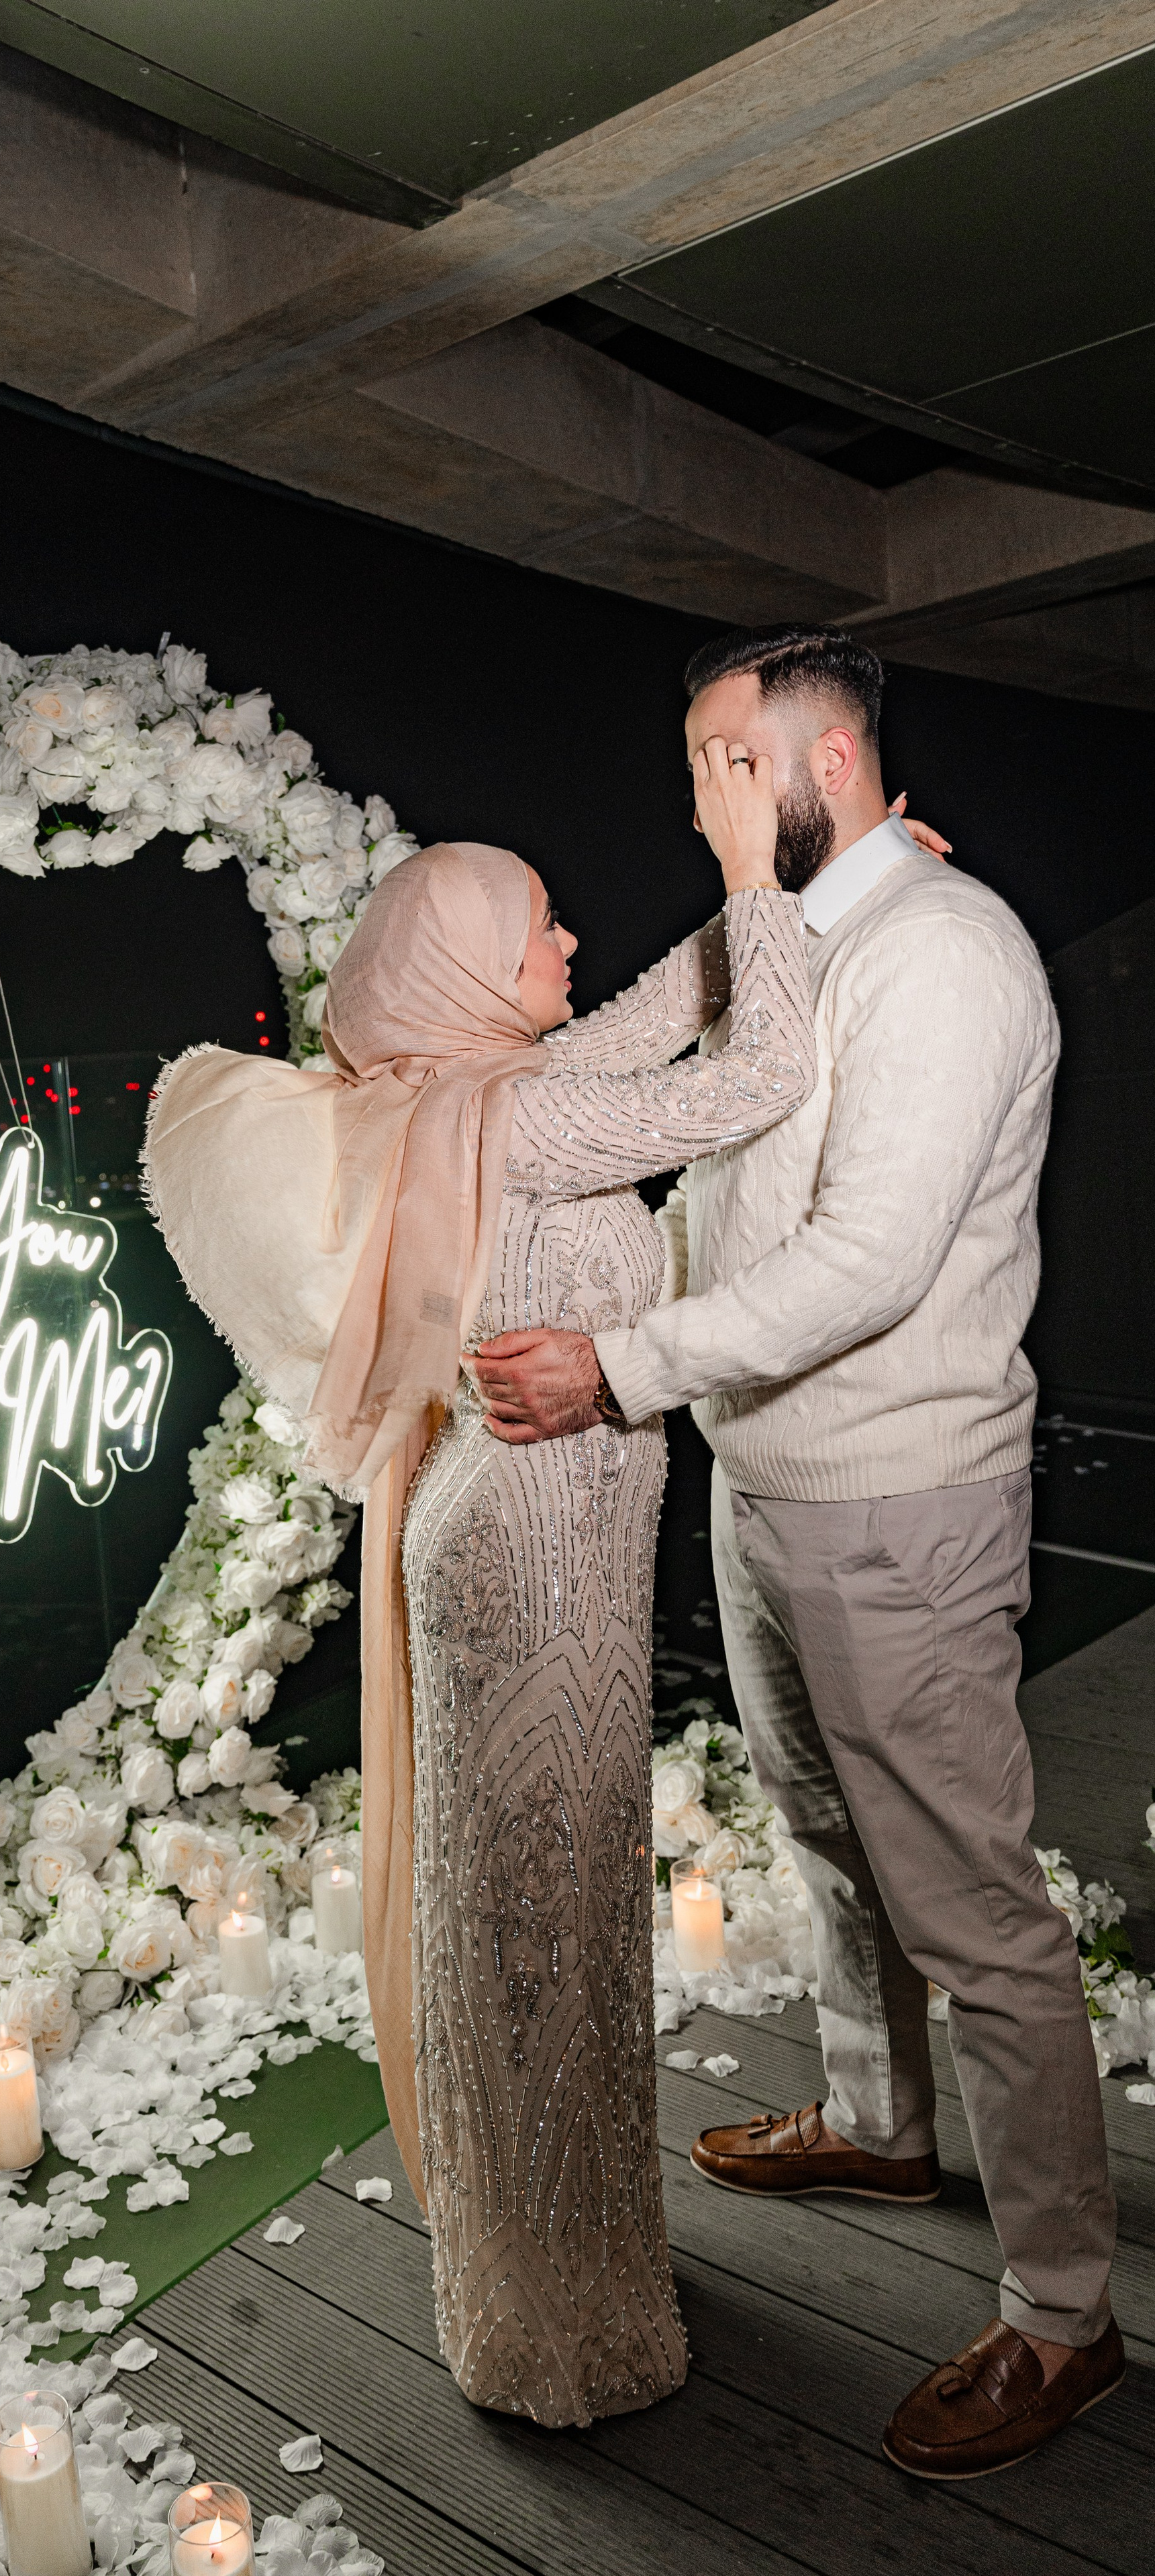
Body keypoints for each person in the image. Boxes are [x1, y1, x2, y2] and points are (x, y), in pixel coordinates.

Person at [472, 623, 1121, 2478]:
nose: (697, 797)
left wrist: (616, 1367)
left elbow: (871, 1262)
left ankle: (1063, 2317)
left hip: (898, 1497)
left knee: (972, 1911)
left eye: (725, 761)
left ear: (826, 761)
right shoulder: (779, 942)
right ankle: (878, 2123)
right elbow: (689, 1148)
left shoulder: (943, 953)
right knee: (819, 1825)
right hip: (764, 1474)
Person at [146, 749, 816, 2426]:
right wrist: (755, 875)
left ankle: (548, 2278)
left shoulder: (456, 1097)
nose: (571, 941)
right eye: (537, 929)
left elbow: (651, 1016)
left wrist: (776, 899)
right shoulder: (511, 1117)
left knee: (536, 1915)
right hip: (529, 1553)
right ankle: (551, 2328)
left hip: (519, 1535)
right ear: (464, 970)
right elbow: (758, 1075)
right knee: (541, 1928)